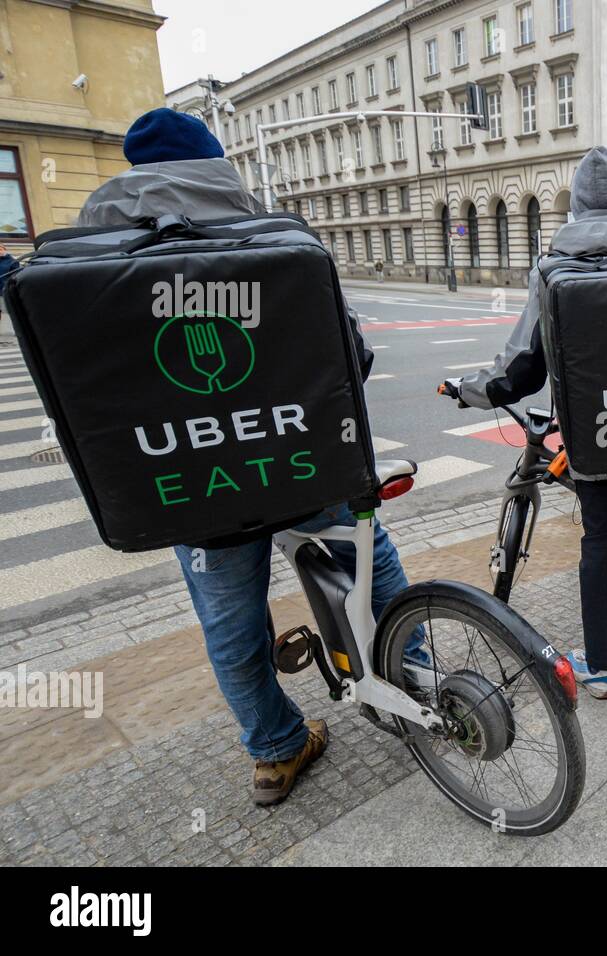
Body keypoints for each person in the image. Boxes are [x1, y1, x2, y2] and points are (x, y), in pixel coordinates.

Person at [77, 108, 424, 804]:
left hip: (195, 487)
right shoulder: (278, 242)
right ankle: (420, 680)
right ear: (218, 168)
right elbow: (350, 357)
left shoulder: (86, 271)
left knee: (230, 627)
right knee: (373, 567)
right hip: (303, 465)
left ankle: (276, 751)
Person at [443, 146, 607, 701]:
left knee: (599, 537)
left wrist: (474, 392)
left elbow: (522, 368)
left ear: (576, 208)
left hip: (596, 435)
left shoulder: (556, 271)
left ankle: (599, 667)